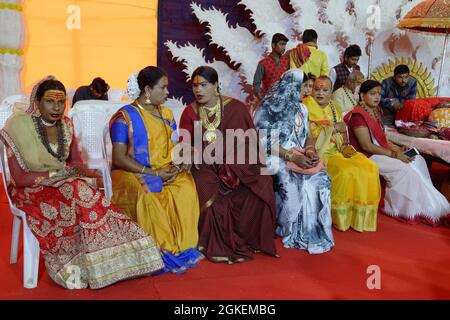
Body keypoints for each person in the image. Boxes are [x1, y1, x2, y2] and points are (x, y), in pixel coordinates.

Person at [0, 77, 164, 289]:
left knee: (84, 190)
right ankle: (79, 266)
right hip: (29, 190)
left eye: (61, 102)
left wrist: (80, 171)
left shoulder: (65, 125)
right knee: (81, 191)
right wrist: (58, 175)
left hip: (66, 184)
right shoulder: (19, 125)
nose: (57, 108)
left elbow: (76, 162)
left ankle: (119, 258)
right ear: (37, 103)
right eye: (50, 101)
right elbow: (20, 178)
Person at [179, 66, 278, 264]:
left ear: (216, 85)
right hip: (205, 166)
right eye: (195, 86)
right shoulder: (190, 112)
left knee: (262, 181)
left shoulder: (236, 107)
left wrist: (232, 166)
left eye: (204, 85)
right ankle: (217, 243)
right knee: (213, 199)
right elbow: (185, 144)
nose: (198, 90)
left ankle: (252, 238)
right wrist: (189, 152)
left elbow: (250, 143)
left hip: (236, 165)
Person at [109, 66, 203, 274]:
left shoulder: (167, 114)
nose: (167, 93)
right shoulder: (124, 117)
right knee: (148, 193)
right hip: (130, 172)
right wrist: (153, 173)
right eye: (163, 88)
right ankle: (158, 250)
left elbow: (174, 146)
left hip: (164, 169)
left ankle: (183, 246)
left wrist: (183, 158)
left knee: (186, 185)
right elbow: (119, 157)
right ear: (147, 90)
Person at [345, 80, 450, 226]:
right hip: (366, 155)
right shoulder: (358, 116)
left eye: (379, 94)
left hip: (380, 152)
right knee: (405, 169)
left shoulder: (375, 112)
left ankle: (422, 203)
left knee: (418, 159)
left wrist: (397, 148)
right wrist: (395, 155)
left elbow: (382, 139)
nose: (377, 97)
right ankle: (404, 209)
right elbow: (367, 145)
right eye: (372, 94)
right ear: (362, 96)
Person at [255, 69, 334, 254]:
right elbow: (264, 142)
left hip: (298, 153)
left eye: (308, 86)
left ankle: (314, 231)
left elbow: (308, 136)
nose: (307, 91)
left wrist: (310, 151)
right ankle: (290, 230)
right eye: (303, 86)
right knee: (301, 183)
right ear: (289, 86)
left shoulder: (302, 108)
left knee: (321, 179)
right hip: (274, 155)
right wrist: (293, 157)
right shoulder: (268, 108)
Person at [303, 76, 381, 232]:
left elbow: (343, 131)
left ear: (331, 92)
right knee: (346, 172)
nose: (320, 93)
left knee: (370, 167)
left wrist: (342, 139)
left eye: (325, 90)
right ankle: (340, 218)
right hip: (320, 151)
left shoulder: (335, 107)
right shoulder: (305, 106)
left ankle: (359, 219)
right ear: (311, 90)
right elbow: (308, 134)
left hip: (338, 149)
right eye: (317, 89)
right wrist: (332, 127)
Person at [253, 33, 290, 100]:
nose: (284, 47)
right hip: (269, 102)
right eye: (281, 44)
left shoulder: (287, 61)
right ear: (273, 45)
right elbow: (256, 83)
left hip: (284, 101)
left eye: (285, 44)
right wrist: (262, 100)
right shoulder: (263, 63)